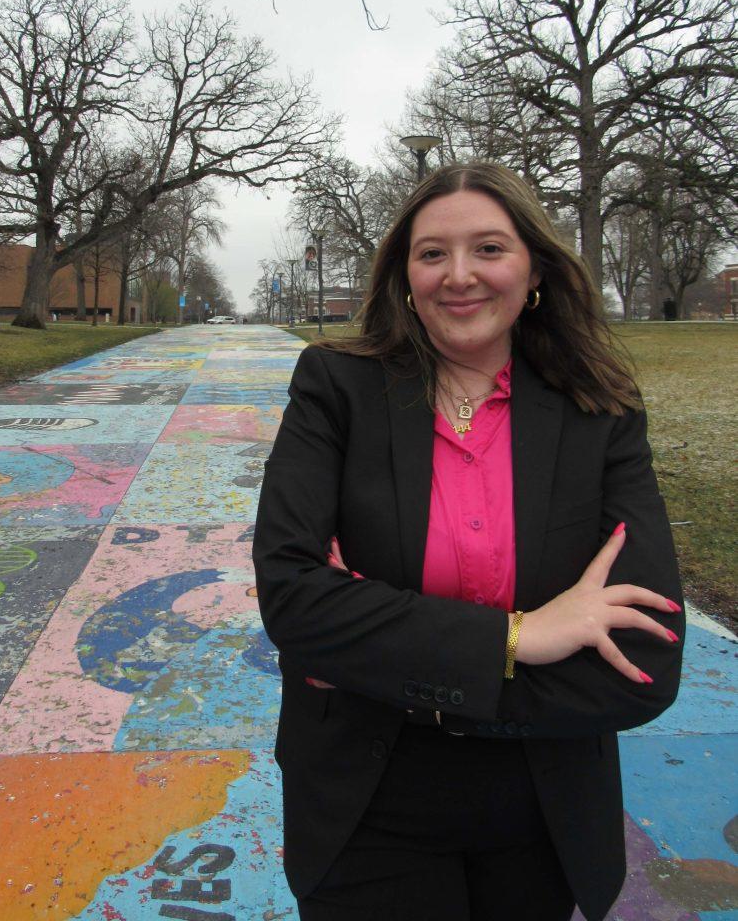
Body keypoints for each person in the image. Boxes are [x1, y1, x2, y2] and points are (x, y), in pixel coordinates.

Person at [252, 163, 684, 921]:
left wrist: (367, 651)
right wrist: (521, 638)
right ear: (403, 274)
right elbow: (294, 600)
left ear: (535, 269)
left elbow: (640, 665)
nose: (459, 277)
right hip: (365, 804)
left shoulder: (599, 411)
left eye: (489, 248)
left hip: (542, 812)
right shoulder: (336, 388)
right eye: (431, 254)